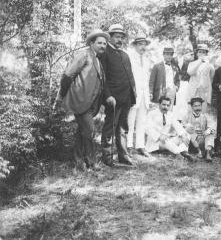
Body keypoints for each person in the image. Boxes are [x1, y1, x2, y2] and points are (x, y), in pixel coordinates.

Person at [54, 29, 109, 170]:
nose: (103, 46)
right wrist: (63, 94)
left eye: (105, 43)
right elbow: (67, 75)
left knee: (82, 132)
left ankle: (78, 161)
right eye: (99, 43)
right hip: (80, 101)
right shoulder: (84, 55)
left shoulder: (97, 59)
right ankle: (91, 162)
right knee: (90, 130)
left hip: (90, 104)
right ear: (92, 42)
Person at [100, 24, 136, 167]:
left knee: (123, 128)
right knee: (110, 127)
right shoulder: (105, 53)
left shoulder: (125, 55)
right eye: (117, 37)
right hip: (113, 99)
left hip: (126, 97)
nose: (119, 39)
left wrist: (133, 96)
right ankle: (107, 157)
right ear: (110, 37)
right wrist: (108, 96)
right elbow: (102, 78)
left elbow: (130, 77)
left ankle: (123, 156)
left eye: (121, 37)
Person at [145, 96, 195, 161]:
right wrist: (159, 136)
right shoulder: (152, 113)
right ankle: (179, 153)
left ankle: (184, 153)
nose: (165, 107)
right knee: (166, 141)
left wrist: (183, 135)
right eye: (164, 104)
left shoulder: (170, 115)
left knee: (186, 135)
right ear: (159, 104)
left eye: (168, 105)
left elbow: (178, 126)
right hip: (155, 142)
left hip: (167, 140)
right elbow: (148, 128)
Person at [126, 36, 152, 158]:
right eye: (140, 44)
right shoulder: (130, 58)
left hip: (144, 96)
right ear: (135, 45)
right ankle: (129, 145)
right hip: (133, 95)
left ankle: (140, 146)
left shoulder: (147, 61)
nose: (143, 47)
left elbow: (146, 80)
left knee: (142, 121)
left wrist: (148, 96)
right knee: (130, 121)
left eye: (144, 44)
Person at [182, 97, 216, 162]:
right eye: (195, 106)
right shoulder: (187, 116)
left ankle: (208, 154)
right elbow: (182, 125)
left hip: (202, 138)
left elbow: (212, 125)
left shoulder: (205, 115)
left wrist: (208, 130)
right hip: (192, 142)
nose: (197, 108)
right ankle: (198, 151)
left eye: (199, 106)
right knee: (189, 130)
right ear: (192, 107)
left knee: (211, 134)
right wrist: (187, 127)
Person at [186, 44, 215, 112]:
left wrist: (205, 85)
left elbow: (211, 77)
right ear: (197, 53)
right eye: (200, 52)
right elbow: (190, 72)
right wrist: (200, 61)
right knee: (191, 112)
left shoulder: (210, 65)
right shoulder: (192, 63)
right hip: (193, 91)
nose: (201, 53)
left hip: (203, 92)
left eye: (203, 52)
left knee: (202, 112)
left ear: (206, 53)